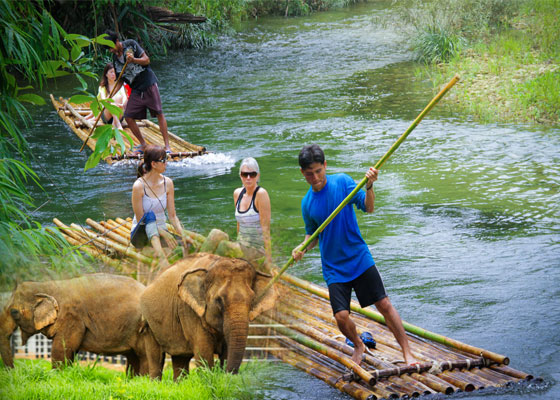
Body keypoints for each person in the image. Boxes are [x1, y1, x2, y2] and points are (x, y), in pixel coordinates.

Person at [292, 144, 417, 366]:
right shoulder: (306, 203)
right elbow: (312, 237)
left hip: (358, 258)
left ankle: (408, 353)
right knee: (341, 316)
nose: (316, 178)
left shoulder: (342, 182)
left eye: (319, 171)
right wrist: (301, 248)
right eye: (310, 174)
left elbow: (368, 208)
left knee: (384, 304)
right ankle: (358, 345)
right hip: (333, 267)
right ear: (302, 173)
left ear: (325, 166)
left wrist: (369, 186)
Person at [103, 30, 171, 154]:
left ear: (117, 41)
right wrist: (109, 96)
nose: (111, 51)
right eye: (108, 49)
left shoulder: (130, 44)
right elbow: (120, 80)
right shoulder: (115, 59)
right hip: (135, 89)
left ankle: (167, 146)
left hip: (148, 84)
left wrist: (134, 60)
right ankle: (143, 144)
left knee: (159, 113)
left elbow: (146, 60)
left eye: (111, 47)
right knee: (128, 117)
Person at [131, 145, 190, 271]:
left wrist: (182, 233)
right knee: (150, 215)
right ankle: (162, 259)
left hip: (161, 232)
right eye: (163, 160)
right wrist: (162, 231)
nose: (166, 163)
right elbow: (141, 218)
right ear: (153, 164)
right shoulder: (138, 186)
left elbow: (172, 216)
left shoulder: (168, 183)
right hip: (141, 234)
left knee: (184, 246)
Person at [233, 157, 272, 268]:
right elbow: (239, 224)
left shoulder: (261, 194)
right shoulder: (237, 194)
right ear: (240, 176)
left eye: (252, 174)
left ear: (258, 176)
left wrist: (269, 260)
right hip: (240, 248)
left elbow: (266, 229)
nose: (248, 178)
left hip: (256, 250)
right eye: (245, 174)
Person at [85, 63, 128, 130]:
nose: (113, 74)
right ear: (106, 74)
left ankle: (115, 123)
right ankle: (117, 125)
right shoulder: (102, 87)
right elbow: (104, 101)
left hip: (119, 115)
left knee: (119, 98)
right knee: (110, 101)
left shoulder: (120, 86)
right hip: (106, 116)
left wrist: (122, 105)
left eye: (115, 72)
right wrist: (113, 103)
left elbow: (124, 97)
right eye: (111, 72)